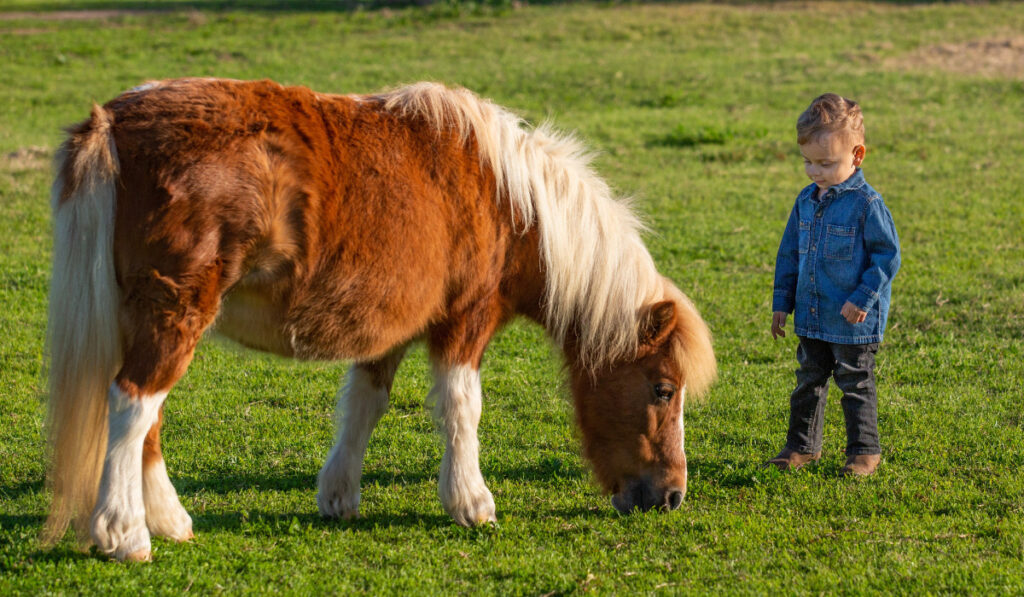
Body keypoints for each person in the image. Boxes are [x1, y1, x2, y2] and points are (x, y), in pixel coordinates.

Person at [766, 93, 901, 477]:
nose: (814, 172)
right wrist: (782, 302)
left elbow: (887, 257)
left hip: (851, 320)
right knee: (808, 381)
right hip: (811, 313)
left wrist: (862, 299)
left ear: (857, 156)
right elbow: (789, 254)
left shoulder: (866, 205)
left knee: (855, 383)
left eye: (826, 163)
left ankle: (864, 452)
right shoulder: (805, 202)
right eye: (808, 162)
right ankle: (801, 447)